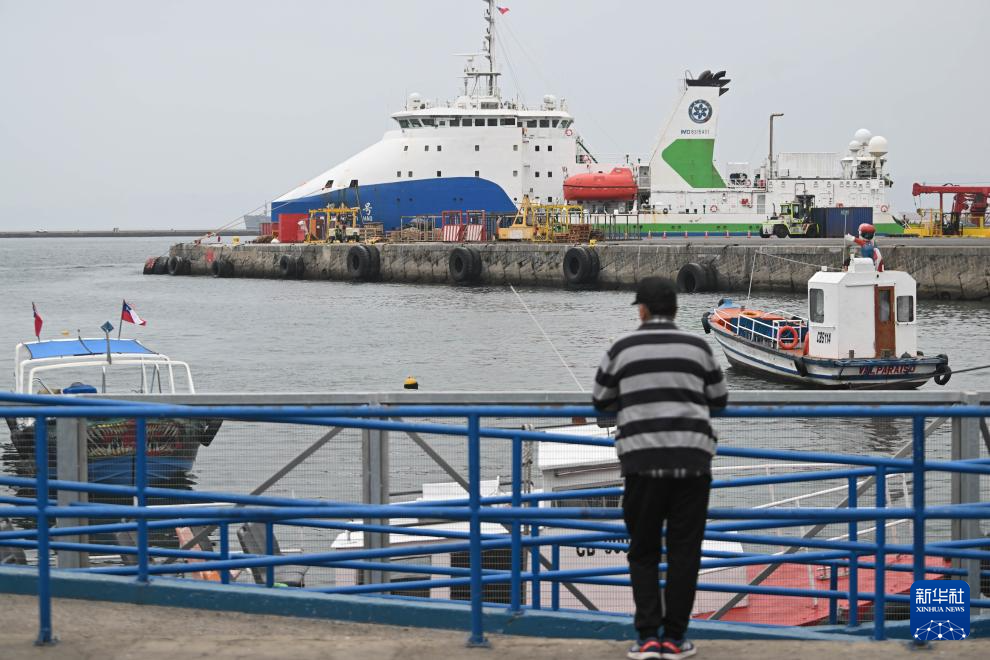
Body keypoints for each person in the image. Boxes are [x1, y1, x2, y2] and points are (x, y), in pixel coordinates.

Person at [592, 277, 728, 660]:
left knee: (643, 552)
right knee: (685, 553)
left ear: (642, 310)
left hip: (642, 463)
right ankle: (675, 639)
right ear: (676, 310)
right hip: (692, 462)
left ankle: (648, 637)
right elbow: (719, 399)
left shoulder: (621, 348)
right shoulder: (698, 347)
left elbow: (601, 400)